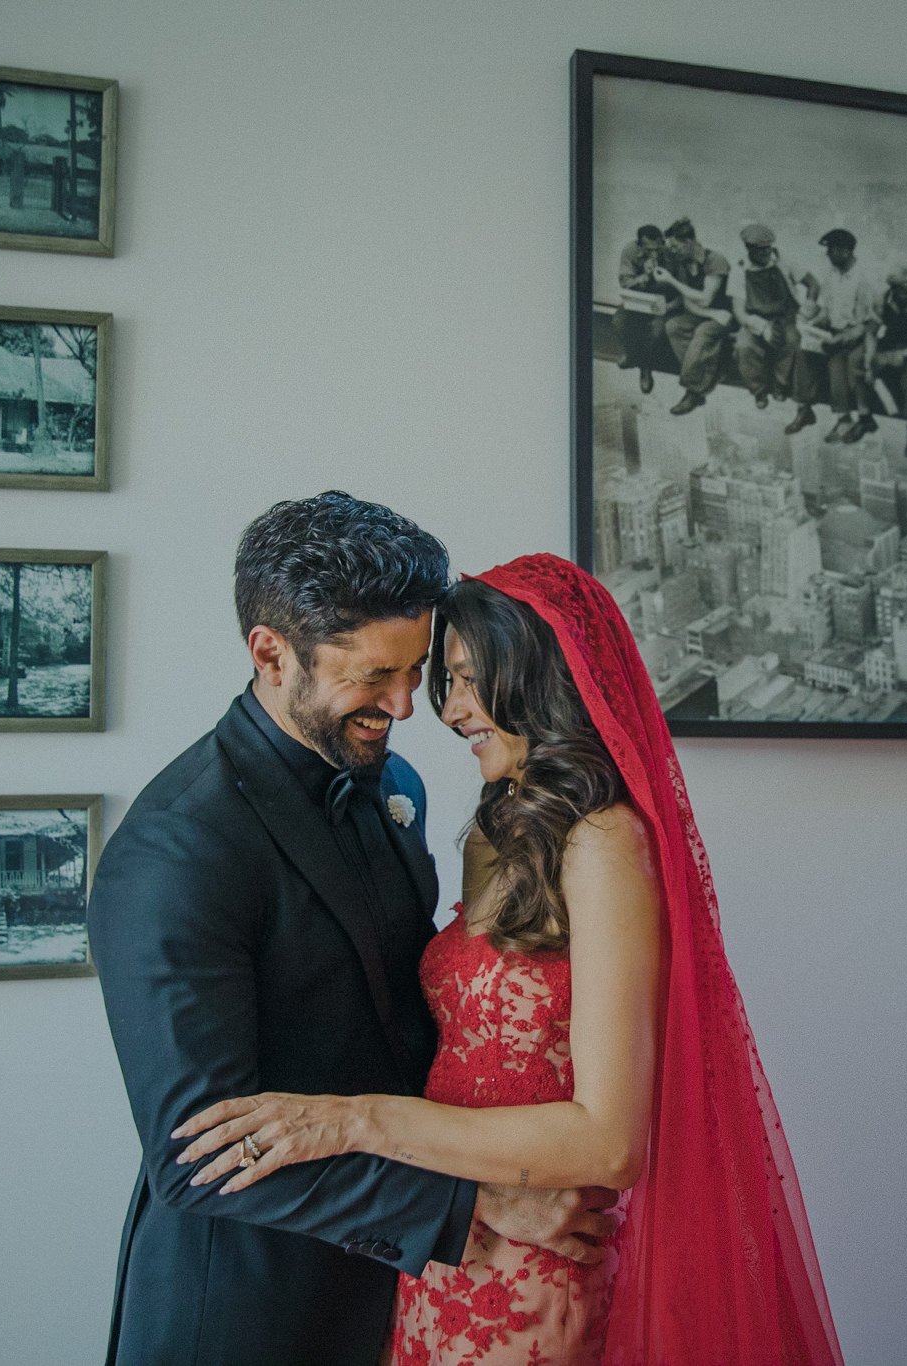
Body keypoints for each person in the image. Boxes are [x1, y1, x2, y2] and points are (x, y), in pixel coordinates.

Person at [174, 554, 846, 1366]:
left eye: (464, 680)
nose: (448, 710)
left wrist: (354, 1120)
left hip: (537, 1268)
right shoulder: (497, 827)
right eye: (443, 681)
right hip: (446, 1246)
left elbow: (609, 1143)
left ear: (538, 680)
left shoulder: (602, 842)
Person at [88, 495, 608, 1366]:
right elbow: (196, 1158)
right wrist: (473, 1204)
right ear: (270, 653)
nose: (405, 706)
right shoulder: (175, 850)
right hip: (249, 1312)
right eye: (373, 677)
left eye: (416, 670)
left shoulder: (389, 776)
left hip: (409, 1300)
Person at [789, 227, 875, 442]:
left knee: (838, 364)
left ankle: (848, 418)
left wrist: (841, 339)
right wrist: (811, 324)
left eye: (832, 250)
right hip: (834, 333)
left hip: (857, 337)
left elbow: (866, 324)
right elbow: (826, 311)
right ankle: (804, 407)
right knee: (804, 351)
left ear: (845, 251)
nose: (828, 255)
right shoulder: (831, 275)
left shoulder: (863, 279)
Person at [652, 218, 733, 416]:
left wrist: (671, 280)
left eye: (675, 246)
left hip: (726, 317)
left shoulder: (715, 260)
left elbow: (705, 299)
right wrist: (668, 306)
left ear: (689, 243)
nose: (672, 251)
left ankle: (693, 391)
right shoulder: (683, 264)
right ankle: (704, 377)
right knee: (674, 326)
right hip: (707, 314)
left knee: (703, 334)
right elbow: (687, 299)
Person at [732, 222, 806, 411]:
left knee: (792, 340)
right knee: (744, 346)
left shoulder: (783, 261)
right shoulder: (740, 270)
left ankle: (780, 385)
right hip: (755, 319)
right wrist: (761, 326)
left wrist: (809, 307)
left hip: (785, 316)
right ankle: (759, 391)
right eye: (760, 251)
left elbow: (812, 284)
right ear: (749, 249)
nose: (766, 254)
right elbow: (739, 312)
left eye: (768, 249)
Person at [865, 266, 907, 453]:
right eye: (904, 291)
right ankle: (874, 414)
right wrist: (870, 362)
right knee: (869, 368)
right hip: (891, 345)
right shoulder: (882, 301)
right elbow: (871, 333)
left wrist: (902, 355)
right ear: (894, 289)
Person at [612, 225, 669, 395]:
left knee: (657, 332)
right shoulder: (630, 251)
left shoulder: (669, 252)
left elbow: (677, 284)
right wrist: (643, 277)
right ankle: (632, 354)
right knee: (619, 322)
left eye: (657, 248)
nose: (654, 253)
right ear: (640, 245)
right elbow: (625, 283)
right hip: (637, 299)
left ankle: (645, 367)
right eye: (649, 250)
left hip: (661, 301)